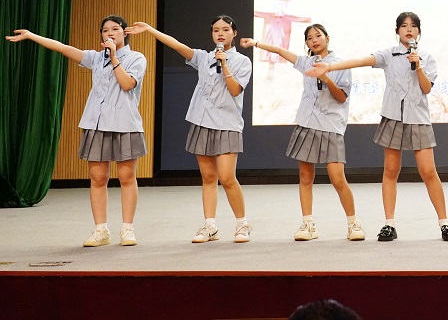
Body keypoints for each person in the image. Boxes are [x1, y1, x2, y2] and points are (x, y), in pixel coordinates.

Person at [306, 12, 448, 241]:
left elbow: (426, 88)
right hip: (393, 116)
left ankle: (444, 223)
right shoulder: (389, 54)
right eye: (404, 26)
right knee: (390, 171)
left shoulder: (426, 57)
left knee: (428, 171)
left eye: (413, 26)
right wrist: (330, 67)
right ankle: (389, 224)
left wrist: (418, 66)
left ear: (419, 32)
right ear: (397, 31)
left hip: (418, 118)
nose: (409, 30)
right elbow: (361, 61)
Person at [6, 16, 147, 247]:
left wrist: (113, 57)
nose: (110, 33)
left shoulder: (136, 58)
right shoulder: (95, 58)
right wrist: (31, 36)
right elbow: (63, 48)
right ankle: (101, 230)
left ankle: (127, 229)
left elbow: (127, 84)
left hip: (125, 124)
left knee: (126, 177)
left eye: (115, 29)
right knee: (98, 178)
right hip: (96, 123)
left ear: (125, 32)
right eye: (105, 30)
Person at [126, 16, 253, 243]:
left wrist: (224, 64)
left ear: (234, 33)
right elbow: (177, 45)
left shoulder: (243, 62)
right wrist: (150, 30)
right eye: (216, 30)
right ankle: (210, 226)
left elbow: (235, 90)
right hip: (201, 121)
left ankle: (242, 224)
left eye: (225, 29)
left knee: (227, 177)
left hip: (227, 124)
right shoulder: (204, 57)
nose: (220, 34)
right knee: (208, 177)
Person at [240, 24, 366, 242]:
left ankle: (353, 223)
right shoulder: (306, 62)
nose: (314, 40)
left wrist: (326, 77)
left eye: (318, 36)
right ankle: (308, 225)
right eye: (309, 38)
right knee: (306, 177)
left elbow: (342, 97)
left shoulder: (340, 65)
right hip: (307, 124)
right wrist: (256, 43)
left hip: (331, 125)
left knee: (337, 178)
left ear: (327, 37)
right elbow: (280, 51)